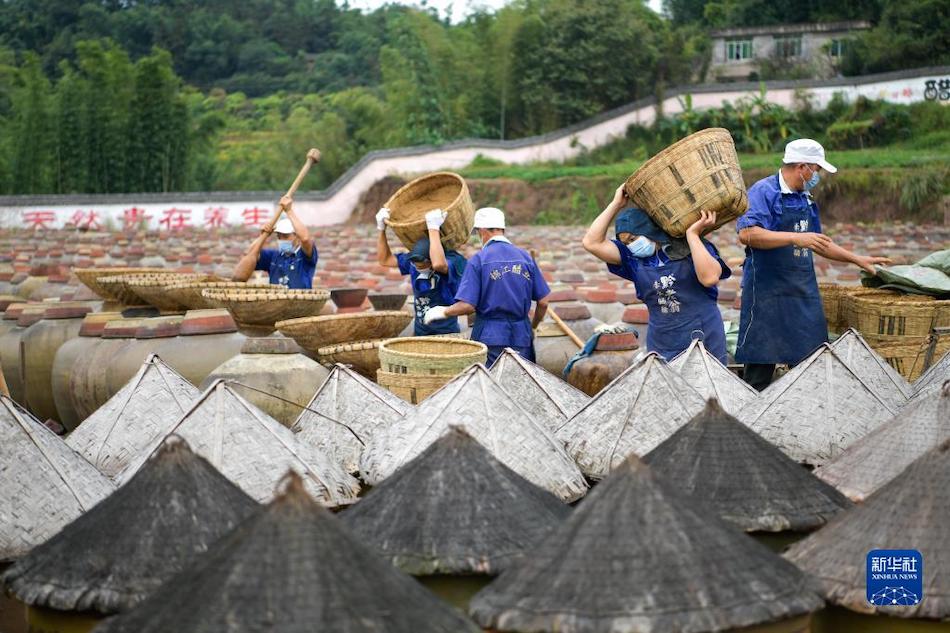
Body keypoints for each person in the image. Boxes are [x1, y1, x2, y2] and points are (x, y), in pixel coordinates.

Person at [735, 138, 890, 390]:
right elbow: (747, 234)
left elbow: (819, 243)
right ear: (802, 167)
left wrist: (856, 258)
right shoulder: (764, 192)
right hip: (766, 291)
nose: (817, 176)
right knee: (760, 363)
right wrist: (796, 237)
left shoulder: (805, 198)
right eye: (816, 170)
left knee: (810, 364)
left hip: (801, 290)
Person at [583, 184, 732, 363]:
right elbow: (591, 242)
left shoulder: (690, 247)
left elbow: (709, 278)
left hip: (704, 338)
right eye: (626, 242)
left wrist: (692, 235)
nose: (631, 245)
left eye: (633, 239)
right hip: (662, 342)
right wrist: (616, 204)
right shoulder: (633, 260)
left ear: (649, 231)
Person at [424, 207, 550, 366]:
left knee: (491, 385)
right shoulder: (525, 257)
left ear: (482, 231)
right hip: (522, 334)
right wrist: (532, 327)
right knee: (521, 383)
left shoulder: (479, 260)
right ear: (502, 229)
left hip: (490, 336)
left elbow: (468, 305)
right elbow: (543, 302)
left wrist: (443, 311)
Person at [375, 207, 467, 335]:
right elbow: (385, 260)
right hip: (420, 331)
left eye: (423, 265)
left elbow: (439, 265)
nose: (419, 268)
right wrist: (381, 229)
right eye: (416, 265)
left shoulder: (453, 261)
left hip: (446, 332)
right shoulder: (413, 262)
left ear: (430, 261)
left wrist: (433, 228)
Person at [232, 195, 318, 289]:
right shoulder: (273, 256)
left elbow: (305, 238)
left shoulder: (304, 256)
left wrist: (289, 211)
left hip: (300, 302)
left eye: (286, 236)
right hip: (277, 303)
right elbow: (249, 254)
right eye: (279, 236)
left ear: (297, 237)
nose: (282, 240)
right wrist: (262, 237)